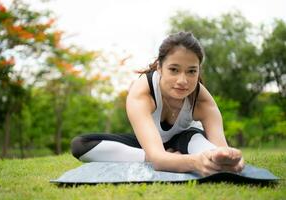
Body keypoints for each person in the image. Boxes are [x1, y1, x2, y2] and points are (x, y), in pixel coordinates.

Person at [70, 31, 245, 176]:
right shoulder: (142, 93)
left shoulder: (203, 101)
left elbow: (221, 146)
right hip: (150, 146)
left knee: (206, 146)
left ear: (199, 70)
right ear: (160, 68)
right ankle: (162, 157)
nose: (183, 80)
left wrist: (228, 157)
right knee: (81, 145)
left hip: (187, 141)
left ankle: (204, 157)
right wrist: (192, 162)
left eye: (191, 71)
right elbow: (158, 160)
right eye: (174, 70)